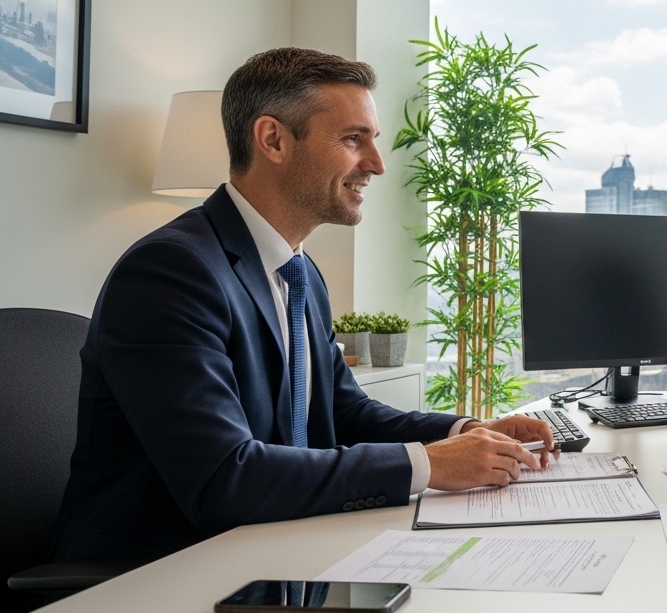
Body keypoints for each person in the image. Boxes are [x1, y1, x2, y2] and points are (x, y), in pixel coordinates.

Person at [52, 48, 556, 563]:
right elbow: (225, 478)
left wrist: (465, 432)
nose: (377, 165)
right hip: (161, 572)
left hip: (276, 550)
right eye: (352, 140)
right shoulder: (169, 272)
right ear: (273, 139)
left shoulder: (298, 270)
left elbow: (344, 410)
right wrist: (429, 465)